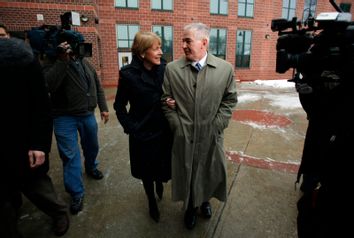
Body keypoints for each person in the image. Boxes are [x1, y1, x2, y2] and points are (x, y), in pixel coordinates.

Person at [161, 22, 238, 229]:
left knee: (208, 171)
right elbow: (165, 100)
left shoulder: (224, 69)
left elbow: (229, 100)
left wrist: (217, 125)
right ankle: (190, 208)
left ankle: (205, 201)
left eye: (188, 41)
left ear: (204, 42)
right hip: (184, 135)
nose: (183, 45)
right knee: (188, 172)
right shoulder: (172, 69)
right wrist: (177, 125)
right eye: (182, 41)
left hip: (211, 134)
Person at [0, 23, 69, 237]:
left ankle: (60, 214)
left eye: (1, 36)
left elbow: (41, 104)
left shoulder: (23, 60)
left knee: (38, 188)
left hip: (22, 144)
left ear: (10, 37)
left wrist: (39, 144)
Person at [39, 31, 109, 215]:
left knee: (92, 146)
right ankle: (76, 193)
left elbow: (97, 86)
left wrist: (103, 107)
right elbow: (49, 85)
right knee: (70, 156)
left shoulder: (85, 63)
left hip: (87, 114)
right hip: (64, 118)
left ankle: (91, 167)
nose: (78, 49)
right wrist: (63, 60)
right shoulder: (52, 63)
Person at [294, 27, 353, 237]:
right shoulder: (316, 59)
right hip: (319, 123)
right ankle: (310, 185)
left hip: (341, 130)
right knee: (313, 163)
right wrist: (311, 91)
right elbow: (306, 90)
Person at [113, 31, 172, 223]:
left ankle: (159, 183)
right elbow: (119, 106)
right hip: (143, 132)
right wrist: (131, 127)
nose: (161, 52)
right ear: (141, 53)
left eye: (160, 47)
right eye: (156, 48)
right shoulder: (128, 74)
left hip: (164, 131)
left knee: (161, 169)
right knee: (146, 171)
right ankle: (151, 201)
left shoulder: (165, 69)